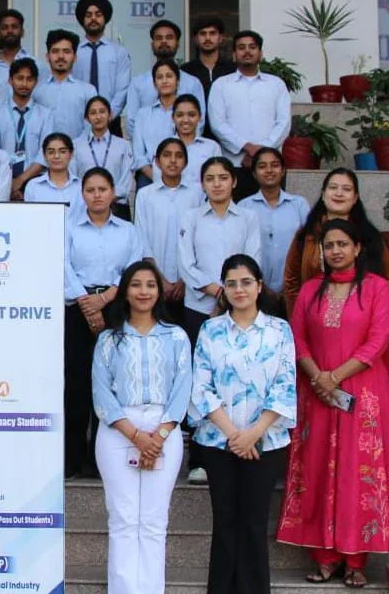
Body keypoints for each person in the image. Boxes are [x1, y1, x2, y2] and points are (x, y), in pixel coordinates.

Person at [277, 219, 389, 589]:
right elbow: (297, 337)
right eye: (329, 245)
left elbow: (378, 340)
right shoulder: (310, 289)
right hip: (317, 393)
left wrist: (335, 376)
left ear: (357, 248)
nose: (335, 251)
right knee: (318, 469)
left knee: (355, 471)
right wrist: (318, 377)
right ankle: (325, 559)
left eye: (342, 244)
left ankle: (356, 560)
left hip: (362, 395)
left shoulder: (376, 287)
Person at [190, 253, 297, 594]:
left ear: (259, 286)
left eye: (246, 282)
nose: (239, 289)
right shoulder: (210, 330)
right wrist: (235, 435)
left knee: (253, 523)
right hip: (218, 440)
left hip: (266, 441)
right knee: (225, 521)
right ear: (223, 288)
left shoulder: (279, 330)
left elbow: (284, 385)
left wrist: (253, 434)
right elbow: (201, 388)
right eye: (232, 283)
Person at [91, 260, 192, 594]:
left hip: (164, 429)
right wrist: (136, 436)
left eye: (150, 285)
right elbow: (101, 393)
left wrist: (157, 437)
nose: (143, 291)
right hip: (119, 430)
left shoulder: (176, 336)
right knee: (122, 518)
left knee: (153, 521)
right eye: (136, 284)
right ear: (125, 291)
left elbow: (182, 389)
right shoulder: (109, 339)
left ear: (159, 291)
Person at [178, 156, 262, 485]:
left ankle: (241, 445)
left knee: (237, 376)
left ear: (234, 181)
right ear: (202, 184)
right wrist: (215, 290)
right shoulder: (191, 217)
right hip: (199, 306)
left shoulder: (248, 217)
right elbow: (185, 263)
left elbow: (252, 259)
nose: (217, 184)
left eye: (223, 177)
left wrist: (230, 293)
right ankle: (200, 459)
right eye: (210, 178)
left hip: (239, 307)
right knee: (202, 381)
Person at [63, 167, 146, 478]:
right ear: (82, 194)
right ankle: (72, 460)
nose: (96, 195)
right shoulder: (69, 228)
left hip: (115, 308)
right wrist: (87, 302)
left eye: (102, 189)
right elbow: (63, 266)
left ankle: (103, 461)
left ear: (113, 192)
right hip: (77, 308)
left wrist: (107, 297)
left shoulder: (128, 230)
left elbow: (132, 269)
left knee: (111, 382)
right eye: (90, 190)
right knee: (77, 383)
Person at [283, 168, 389, 318]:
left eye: (346, 189)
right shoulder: (307, 235)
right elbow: (291, 281)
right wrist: (300, 317)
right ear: (323, 194)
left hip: (360, 319)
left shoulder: (370, 237)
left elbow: (385, 279)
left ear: (355, 198)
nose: (339, 193)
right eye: (333, 187)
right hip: (314, 319)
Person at [207, 30, 291, 201]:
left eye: (252, 47)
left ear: (261, 53)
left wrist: (260, 152)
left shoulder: (276, 84)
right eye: (241, 47)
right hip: (235, 164)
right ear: (234, 54)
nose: (247, 51)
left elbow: (283, 123)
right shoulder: (221, 85)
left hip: (270, 167)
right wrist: (245, 146)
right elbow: (217, 123)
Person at [134, 138, 205, 326]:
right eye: (167, 155)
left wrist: (185, 279)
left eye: (179, 156)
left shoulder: (197, 193)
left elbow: (200, 239)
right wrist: (160, 279)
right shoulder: (145, 195)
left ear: (186, 162)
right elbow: (142, 238)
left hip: (190, 283)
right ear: (157, 162)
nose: (173, 160)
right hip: (156, 281)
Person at [239, 147, 311, 309]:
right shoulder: (244, 206)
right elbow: (240, 250)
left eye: (275, 165)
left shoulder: (299, 205)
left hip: (293, 289)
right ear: (254, 173)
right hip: (254, 291)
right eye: (262, 166)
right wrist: (260, 285)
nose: (269, 170)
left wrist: (292, 284)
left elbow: (307, 247)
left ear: (283, 170)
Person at [126, 20, 206, 140]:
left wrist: (184, 146)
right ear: (152, 44)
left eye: (169, 37)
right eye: (159, 38)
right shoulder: (138, 83)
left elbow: (200, 122)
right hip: (149, 150)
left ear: (178, 44)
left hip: (184, 149)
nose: (164, 41)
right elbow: (132, 123)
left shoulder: (193, 83)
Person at [71, 0, 131, 136]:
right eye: (88, 15)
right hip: (79, 123)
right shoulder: (72, 52)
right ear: (82, 19)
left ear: (105, 18)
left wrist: (107, 116)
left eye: (98, 14)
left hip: (111, 122)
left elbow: (123, 90)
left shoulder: (119, 52)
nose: (93, 18)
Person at [0, 58, 51, 194]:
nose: (24, 84)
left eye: (29, 79)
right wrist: (9, 183)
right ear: (10, 80)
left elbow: (46, 153)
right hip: (2, 181)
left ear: (36, 82)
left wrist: (20, 180)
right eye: (20, 78)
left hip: (36, 181)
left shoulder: (45, 115)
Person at [73, 96, 133, 220]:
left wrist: (106, 198)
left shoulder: (123, 145)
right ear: (86, 118)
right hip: (84, 207)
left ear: (110, 115)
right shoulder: (76, 146)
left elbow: (126, 180)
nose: (98, 117)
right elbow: (73, 178)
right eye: (93, 113)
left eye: (102, 112)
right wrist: (91, 198)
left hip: (117, 207)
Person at [33, 29, 96, 140]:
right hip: (44, 149)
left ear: (75, 57)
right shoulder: (36, 90)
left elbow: (93, 126)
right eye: (55, 51)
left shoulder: (88, 91)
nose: (61, 56)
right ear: (47, 57)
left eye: (66, 51)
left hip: (78, 149)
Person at [132, 59, 181, 189]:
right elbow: (139, 155)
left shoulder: (185, 113)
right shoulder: (143, 114)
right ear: (154, 84)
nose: (164, 81)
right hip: (149, 175)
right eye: (160, 77)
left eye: (169, 76)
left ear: (178, 81)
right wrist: (158, 177)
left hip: (182, 175)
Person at [169, 94, 221, 193]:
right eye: (180, 115)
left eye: (191, 115)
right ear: (173, 118)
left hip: (204, 200)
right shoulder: (164, 147)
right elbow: (159, 181)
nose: (185, 120)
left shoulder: (212, 147)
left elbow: (217, 179)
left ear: (200, 117)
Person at [181, 17, 236, 103]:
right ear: (195, 39)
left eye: (212, 33)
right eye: (203, 34)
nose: (207, 38)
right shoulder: (186, 71)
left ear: (221, 38)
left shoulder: (233, 70)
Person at [24, 132, 82, 209]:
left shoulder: (81, 186)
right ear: (44, 156)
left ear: (71, 154)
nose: (56, 156)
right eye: (51, 152)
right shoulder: (33, 186)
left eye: (62, 152)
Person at [0, 9, 33, 79]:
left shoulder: (36, 65)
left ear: (22, 32)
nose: (10, 31)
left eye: (14, 27)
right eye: (5, 27)